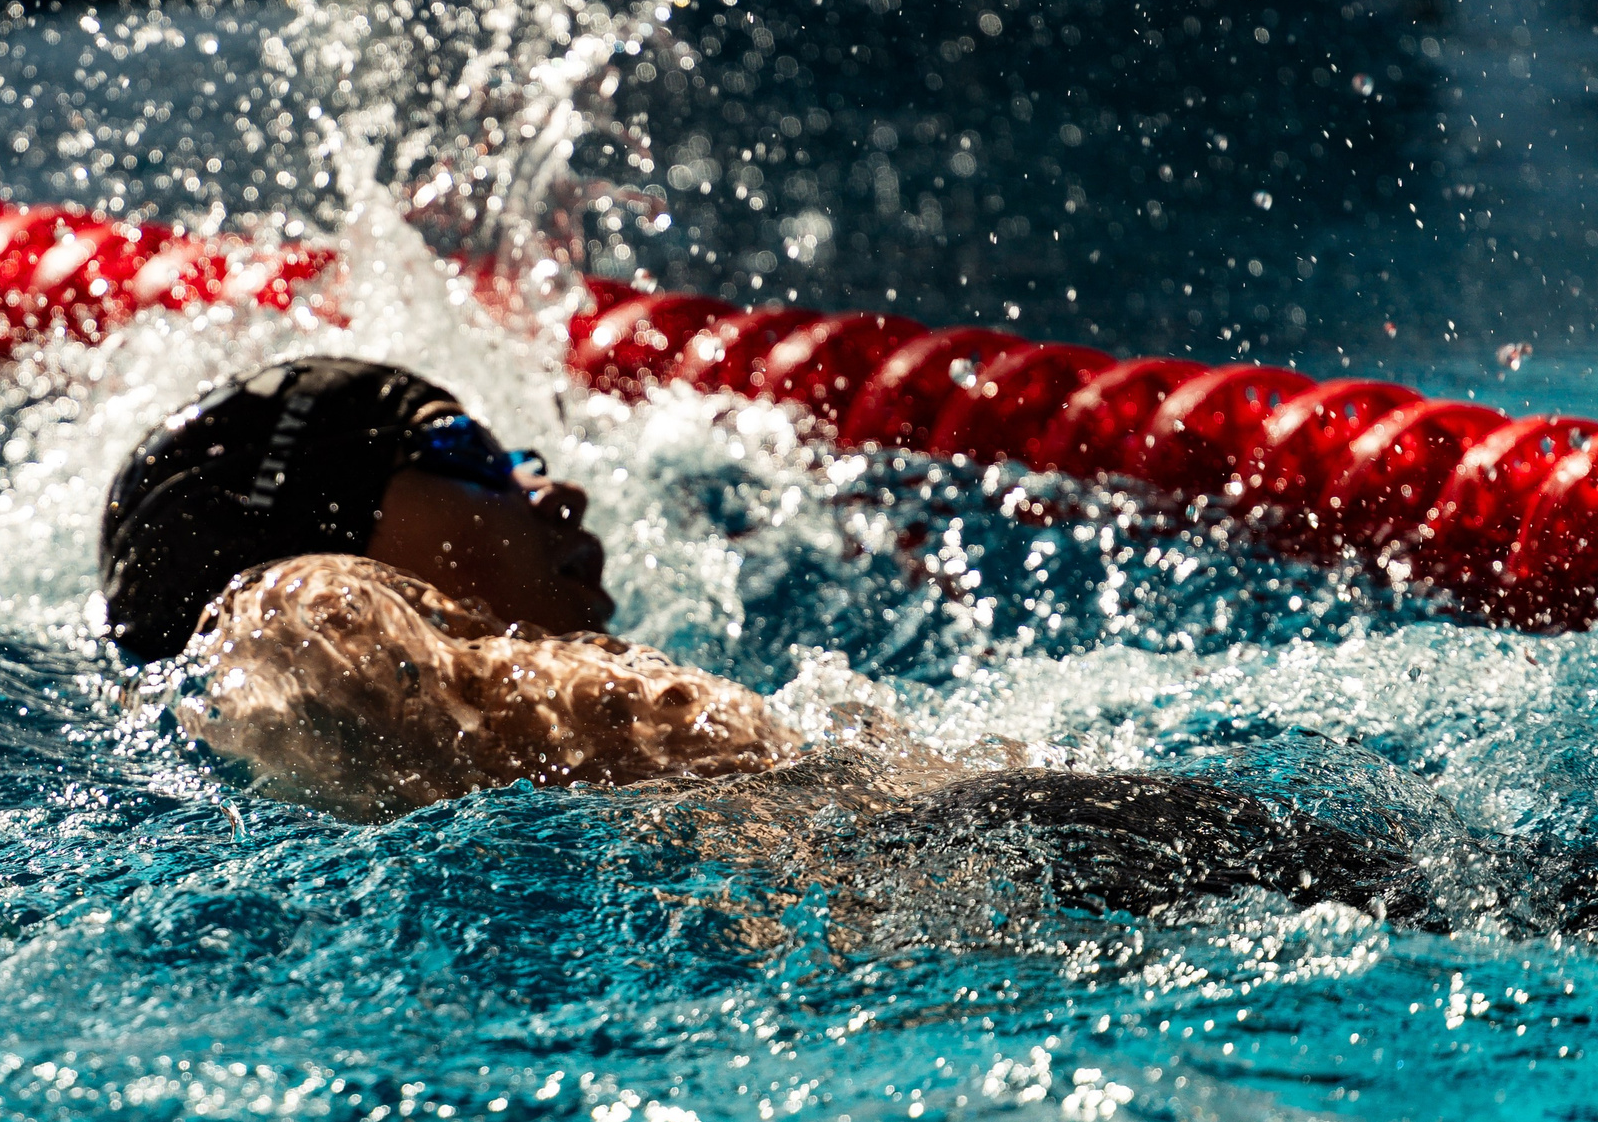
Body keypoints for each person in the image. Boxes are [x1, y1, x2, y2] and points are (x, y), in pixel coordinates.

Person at [98, 356, 1521, 936]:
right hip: (875, 885)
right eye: (471, 449)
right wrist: (802, 811)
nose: (550, 483)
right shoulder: (289, 600)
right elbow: (312, 670)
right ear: (329, 511)